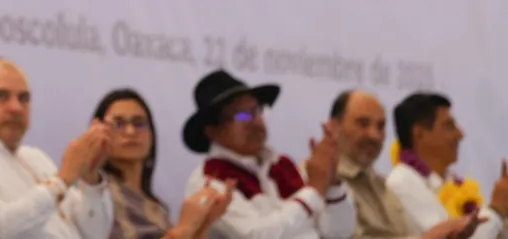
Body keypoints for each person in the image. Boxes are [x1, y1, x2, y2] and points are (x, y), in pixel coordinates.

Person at [0, 57, 114, 239]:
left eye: (24, 98)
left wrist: (91, 181)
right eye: (0, 96)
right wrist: (62, 180)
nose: (16, 107)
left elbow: (96, 234)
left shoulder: (35, 158)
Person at [181, 69, 355, 239]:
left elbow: (339, 233)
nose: (255, 121)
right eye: (242, 115)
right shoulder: (211, 181)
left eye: (257, 110)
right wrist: (313, 190)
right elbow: (256, 235)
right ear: (213, 131)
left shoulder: (282, 167)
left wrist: (332, 184)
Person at [327, 90, 483, 239]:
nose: (374, 135)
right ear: (334, 126)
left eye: (380, 127)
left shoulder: (383, 188)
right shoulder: (321, 179)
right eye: (363, 123)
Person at [93, 88, 232, 239]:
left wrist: (203, 223)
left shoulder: (155, 207)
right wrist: (185, 227)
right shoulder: (97, 195)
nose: (131, 131)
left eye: (139, 123)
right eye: (119, 124)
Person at [386, 93, 508, 239]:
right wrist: (496, 209)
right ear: (419, 134)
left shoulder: (452, 182)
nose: (460, 134)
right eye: (449, 126)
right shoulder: (402, 181)